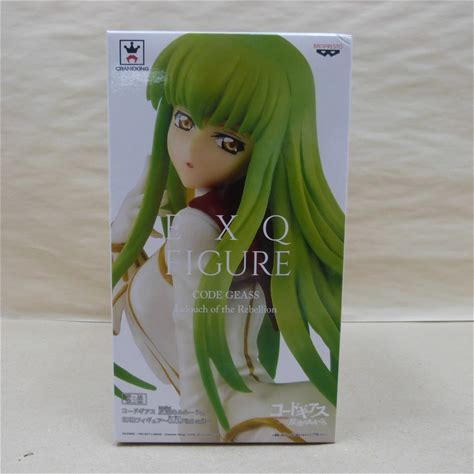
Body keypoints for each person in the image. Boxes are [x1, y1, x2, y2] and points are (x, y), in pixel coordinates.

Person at [111, 33, 345, 443]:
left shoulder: (199, 226)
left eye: (227, 142)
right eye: (183, 122)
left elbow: (197, 355)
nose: (190, 151)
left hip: (233, 416)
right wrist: (128, 225)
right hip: (244, 412)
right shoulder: (226, 219)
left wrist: (196, 436)